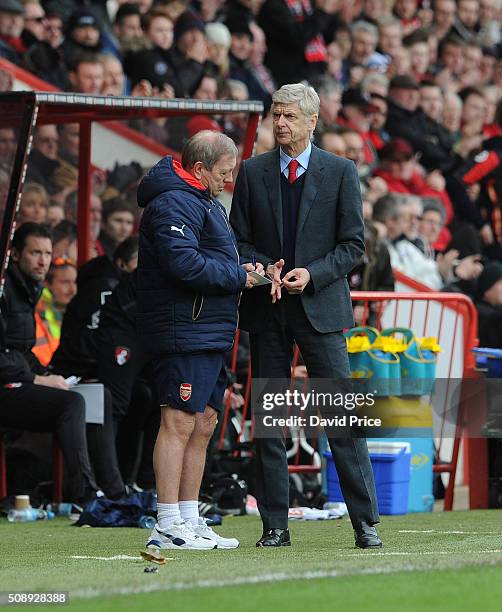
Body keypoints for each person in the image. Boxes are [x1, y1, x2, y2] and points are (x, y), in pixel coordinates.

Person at [229, 82, 382, 549]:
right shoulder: (253, 172)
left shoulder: (340, 171)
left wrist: (310, 275)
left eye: (290, 116)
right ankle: (275, 525)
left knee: (341, 419)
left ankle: (365, 523)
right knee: (269, 423)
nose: (280, 123)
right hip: (269, 309)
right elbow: (238, 240)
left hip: (320, 308)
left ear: (313, 121)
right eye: (276, 114)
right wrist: (265, 268)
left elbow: (353, 246)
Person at [137, 130, 261, 551]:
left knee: (204, 422)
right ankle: (167, 522)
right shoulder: (173, 201)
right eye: (224, 173)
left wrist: (252, 269)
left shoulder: (202, 200)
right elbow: (183, 263)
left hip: (208, 330)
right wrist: (239, 276)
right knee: (178, 421)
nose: (228, 181)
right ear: (199, 169)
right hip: (183, 330)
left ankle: (189, 517)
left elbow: (215, 259)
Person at [0, 223, 98, 507]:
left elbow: (21, 351)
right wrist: (39, 380)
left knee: (97, 396)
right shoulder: (6, 290)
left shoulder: (26, 290)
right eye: (35, 253)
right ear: (16, 255)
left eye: (46, 253)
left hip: (17, 382)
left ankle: (113, 487)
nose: (43, 260)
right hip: (6, 388)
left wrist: (49, 375)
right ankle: (85, 495)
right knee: (70, 404)